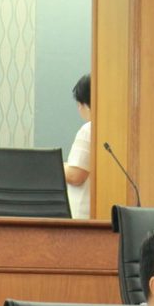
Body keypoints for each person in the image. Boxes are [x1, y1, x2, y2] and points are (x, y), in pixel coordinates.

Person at [64, 74, 92, 220]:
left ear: (83, 104)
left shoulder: (89, 130)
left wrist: (57, 167)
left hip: (82, 215)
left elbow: (76, 175)